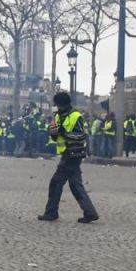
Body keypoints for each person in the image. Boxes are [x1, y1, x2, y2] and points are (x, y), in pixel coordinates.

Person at [39, 91, 99, 224]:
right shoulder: (58, 116)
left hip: (73, 154)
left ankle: (51, 212)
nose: (56, 107)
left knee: (56, 182)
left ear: (61, 104)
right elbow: (55, 136)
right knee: (75, 184)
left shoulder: (76, 116)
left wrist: (63, 132)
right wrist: (54, 131)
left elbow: (81, 135)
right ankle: (90, 212)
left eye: (57, 104)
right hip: (67, 153)